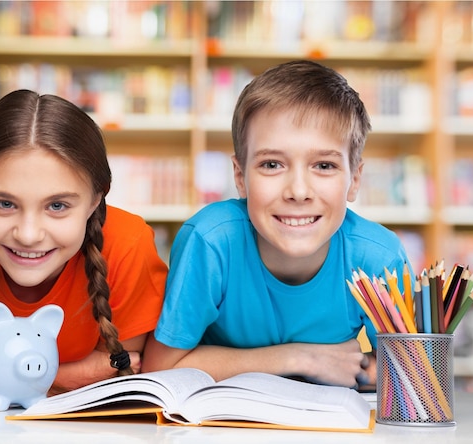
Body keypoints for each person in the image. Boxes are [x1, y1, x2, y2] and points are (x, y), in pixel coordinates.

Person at [142, 60, 413, 390]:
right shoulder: (211, 242)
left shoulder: (378, 259)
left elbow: (411, 374)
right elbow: (159, 368)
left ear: (354, 180)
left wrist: (372, 371)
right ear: (240, 177)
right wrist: (299, 358)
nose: (298, 191)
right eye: (272, 164)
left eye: (324, 165)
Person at [0, 89, 168, 397]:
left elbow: (122, 371)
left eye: (58, 206)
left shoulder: (128, 243)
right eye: (5, 204)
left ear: (95, 199)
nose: (28, 234)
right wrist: (72, 376)